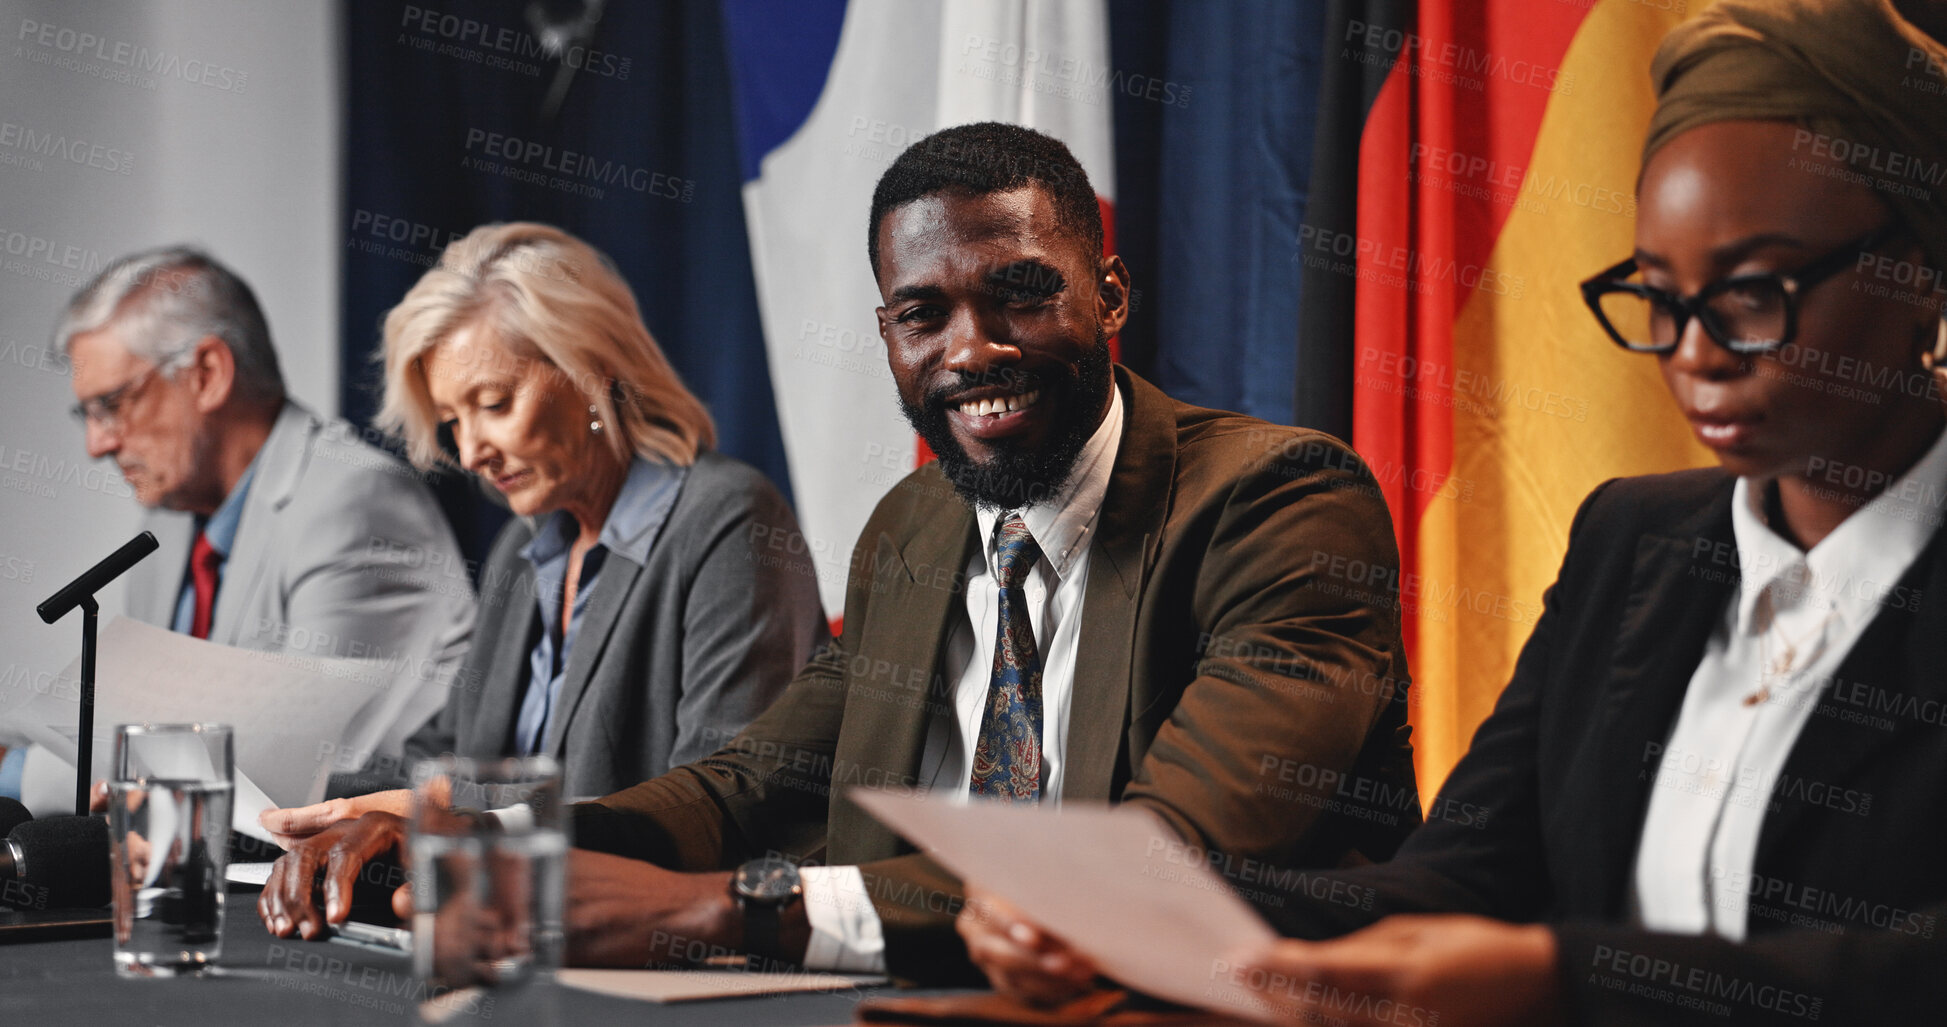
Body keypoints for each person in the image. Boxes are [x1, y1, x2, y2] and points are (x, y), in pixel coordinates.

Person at [961, 2, 1947, 1023]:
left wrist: (1558, 980)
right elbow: (1455, 881)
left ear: (1920, 268)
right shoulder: (1635, 542)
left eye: (1750, 294)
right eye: (1659, 295)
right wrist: (1129, 914)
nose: (1694, 354)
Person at [258, 124, 1419, 983]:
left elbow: (1151, 866)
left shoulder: (1280, 502)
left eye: (1019, 294)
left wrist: (735, 909)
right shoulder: (913, 530)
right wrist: (475, 834)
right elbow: (748, 784)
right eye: (924, 316)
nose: (972, 349)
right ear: (889, 333)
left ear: (1108, 296)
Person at [256, 222, 827, 835]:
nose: (472, 453)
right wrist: (289, 797)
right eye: (452, 422)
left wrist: (453, 807)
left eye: (495, 404)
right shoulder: (520, 551)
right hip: (494, 909)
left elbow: (714, 805)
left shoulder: (731, 519)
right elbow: (440, 759)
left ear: (591, 371)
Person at [0, 247, 475, 808]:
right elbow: (131, 737)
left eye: (112, 404)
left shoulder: (355, 501)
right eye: (89, 414)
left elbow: (290, 779)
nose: (98, 444)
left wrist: (17, 772)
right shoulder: (172, 521)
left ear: (207, 374)